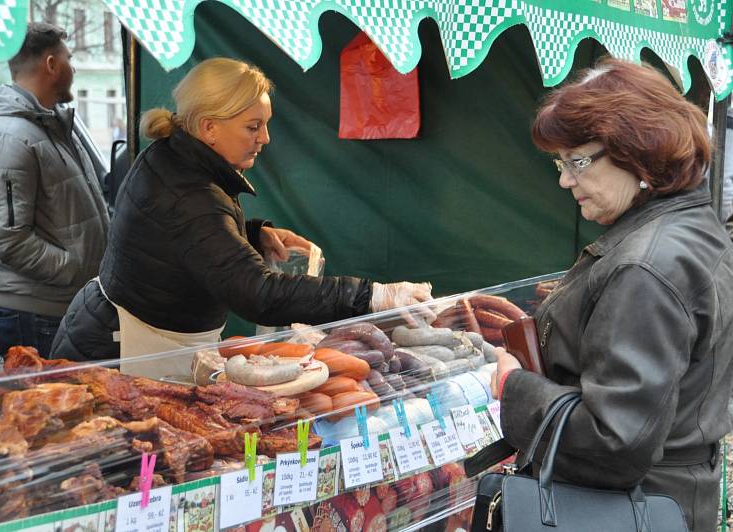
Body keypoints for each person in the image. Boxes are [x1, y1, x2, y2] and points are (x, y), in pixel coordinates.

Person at [52, 57, 433, 371]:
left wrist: (251, 236)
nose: (264, 138)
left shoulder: (174, 156)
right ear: (209, 127)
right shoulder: (188, 192)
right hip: (121, 352)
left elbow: (183, 244)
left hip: (124, 334)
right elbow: (258, 293)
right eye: (253, 126)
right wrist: (372, 295)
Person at [490, 59, 733, 532]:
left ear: (636, 151)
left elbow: (615, 442)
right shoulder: (695, 225)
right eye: (561, 163)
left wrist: (514, 386)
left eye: (577, 161)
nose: (564, 180)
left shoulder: (646, 266)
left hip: (628, 509)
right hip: (677, 498)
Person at [0, 22, 109, 358]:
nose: (72, 68)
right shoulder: (8, 134)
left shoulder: (54, 125)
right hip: (36, 315)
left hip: (63, 305)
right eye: (69, 58)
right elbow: (7, 238)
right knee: (44, 411)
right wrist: (73, 268)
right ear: (51, 64)